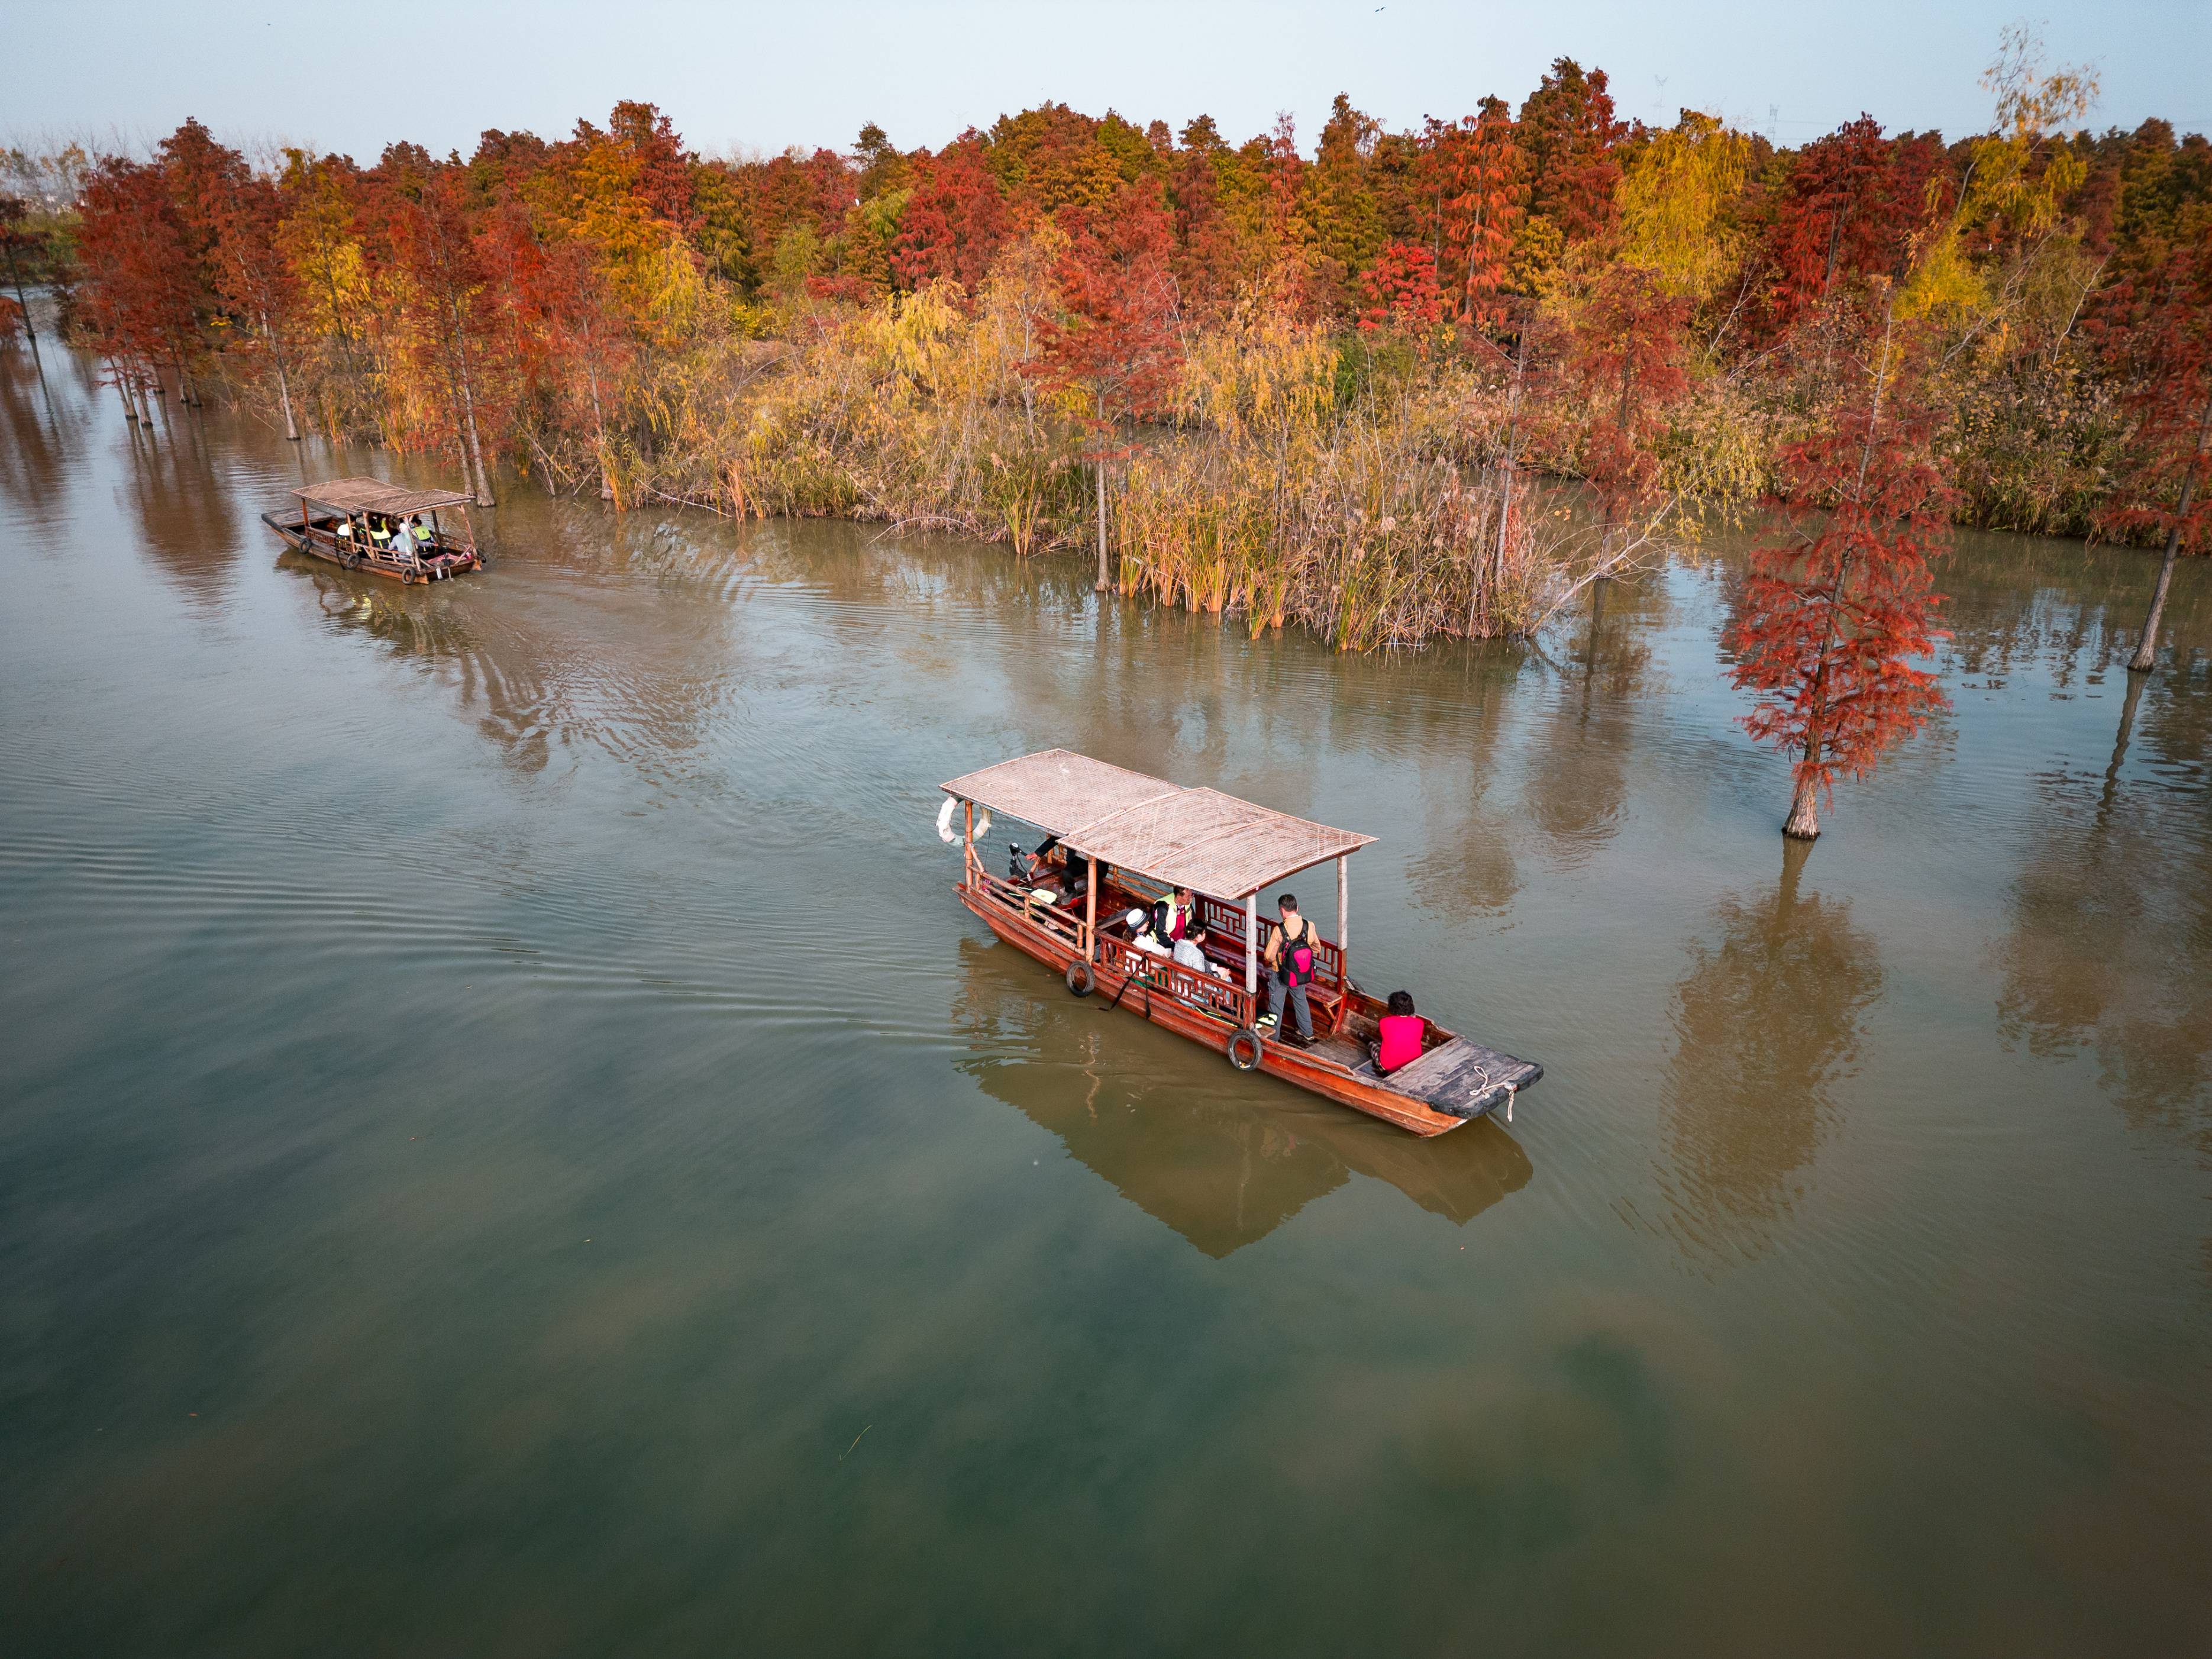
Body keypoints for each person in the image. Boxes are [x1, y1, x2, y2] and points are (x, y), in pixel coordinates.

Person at [1258, 894, 1319, 1045]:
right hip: (1301, 973)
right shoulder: (1309, 925)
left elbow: (1269, 956)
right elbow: (1316, 949)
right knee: (1301, 1000)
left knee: (1275, 1005)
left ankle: (1274, 1038)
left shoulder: (1280, 930)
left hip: (1281, 974)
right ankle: (1307, 1032)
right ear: (1297, 908)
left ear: (1283, 910)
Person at [1374, 990, 1423, 1073]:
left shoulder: (1384, 1022)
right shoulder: (1420, 1023)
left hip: (1388, 1067)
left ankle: (1368, 1041)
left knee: (1373, 1046)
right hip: (1413, 1066)